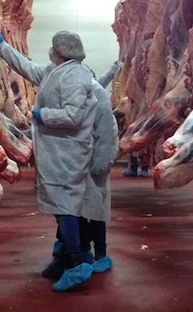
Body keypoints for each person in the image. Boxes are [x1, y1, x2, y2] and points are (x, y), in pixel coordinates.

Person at [0, 26, 98, 292]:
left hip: (67, 152)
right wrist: (3, 46)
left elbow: (73, 117)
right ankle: (64, 258)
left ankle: (75, 263)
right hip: (55, 151)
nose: (50, 49)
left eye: (53, 46)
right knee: (62, 204)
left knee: (65, 206)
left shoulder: (75, 76)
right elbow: (27, 67)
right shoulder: (54, 71)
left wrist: (41, 115)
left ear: (61, 50)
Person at [77, 63, 119, 274]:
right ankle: (85, 249)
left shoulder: (101, 105)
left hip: (97, 168)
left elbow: (110, 140)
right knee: (83, 212)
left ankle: (100, 253)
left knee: (97, 214)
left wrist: (102, 165)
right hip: (83, 168)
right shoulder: (88, 103)